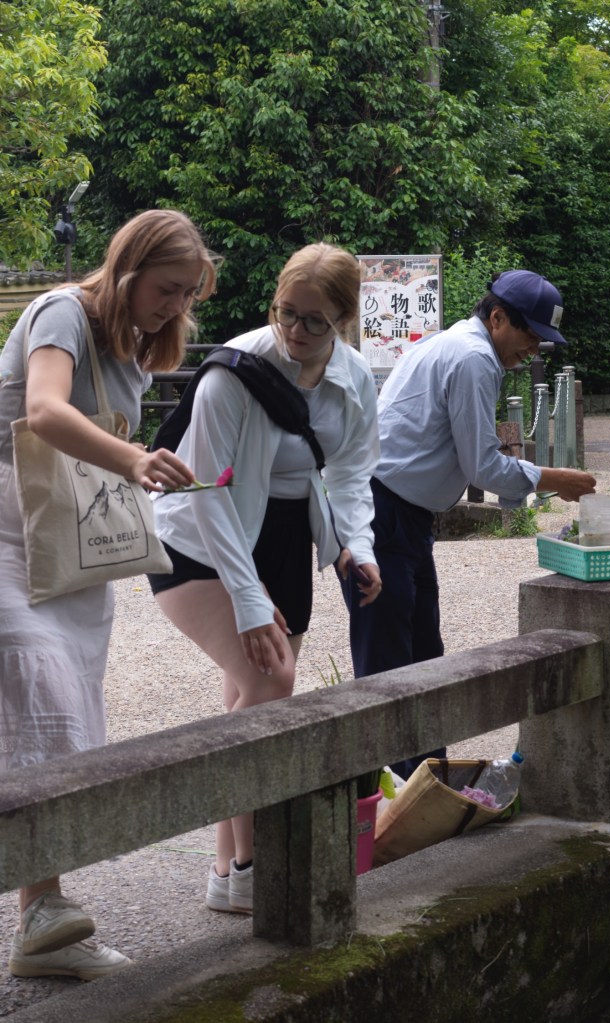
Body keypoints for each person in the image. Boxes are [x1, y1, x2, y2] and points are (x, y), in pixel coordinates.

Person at [0, 209, 216, 979]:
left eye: (188, 294)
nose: (175, 306)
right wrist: (132, 458)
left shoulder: (137, 347)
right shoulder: (63, 311)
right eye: (166, 288)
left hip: (72, 545)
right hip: (8, 531)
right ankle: (44, 908)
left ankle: (41, 920)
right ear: (128, 270)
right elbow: (44, 409)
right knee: (40, 686)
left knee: (65, 708)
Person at [148, 242, 381, 915]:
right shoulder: (235, 371)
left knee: (253, 695)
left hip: (283, 535)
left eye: (315, 321)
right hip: (200, 537)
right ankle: (252, 865)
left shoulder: (353, 377)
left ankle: (228, 875)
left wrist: (355, 546)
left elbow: (350, 473)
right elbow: (205, 489)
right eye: (286, 313)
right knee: (273, 682)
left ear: (343, 319)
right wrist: (248, 597)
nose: (296, 332)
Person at [343, 269, 597, 777]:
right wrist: (551, 478)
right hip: (381, 513)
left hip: (400, 513)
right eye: (530, 334)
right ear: (498, 317)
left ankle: (427, 785)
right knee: (389, 669)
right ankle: (391, 798)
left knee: (423, 658)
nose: (534, 348)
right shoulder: (474, 358)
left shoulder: (454, 344)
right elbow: (483, 467)